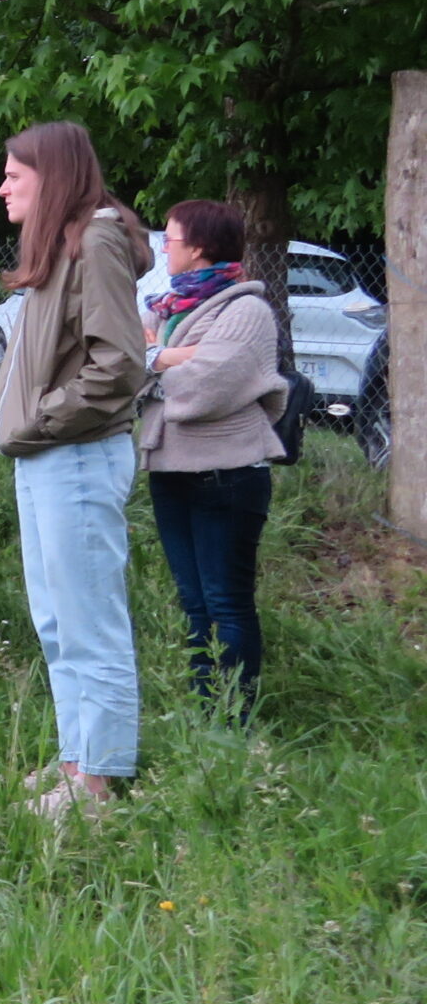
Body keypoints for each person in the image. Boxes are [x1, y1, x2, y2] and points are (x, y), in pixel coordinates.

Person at [0, 121, 153, 821]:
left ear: (51, 176)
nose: (2, 187)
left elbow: (119, 365)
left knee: (90, 624)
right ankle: (78, 760)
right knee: (58, 622)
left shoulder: (96, 240)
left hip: (77, 455)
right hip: (49, 457)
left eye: (14, 175)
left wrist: (41, 419)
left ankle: (99, 784)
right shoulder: (61, 244)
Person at [138, 198, 286, 715]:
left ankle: (235, 718)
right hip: (170, 469)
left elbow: (207, 387)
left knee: (226, 601)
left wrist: (154, 359)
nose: (164, 248)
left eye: (170, 239)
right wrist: (165, 359)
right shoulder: (167, 308)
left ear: (199, 247)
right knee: (194, 601)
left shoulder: (246, 311)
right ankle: (206, 713)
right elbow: (126, 369)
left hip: (228, 474)